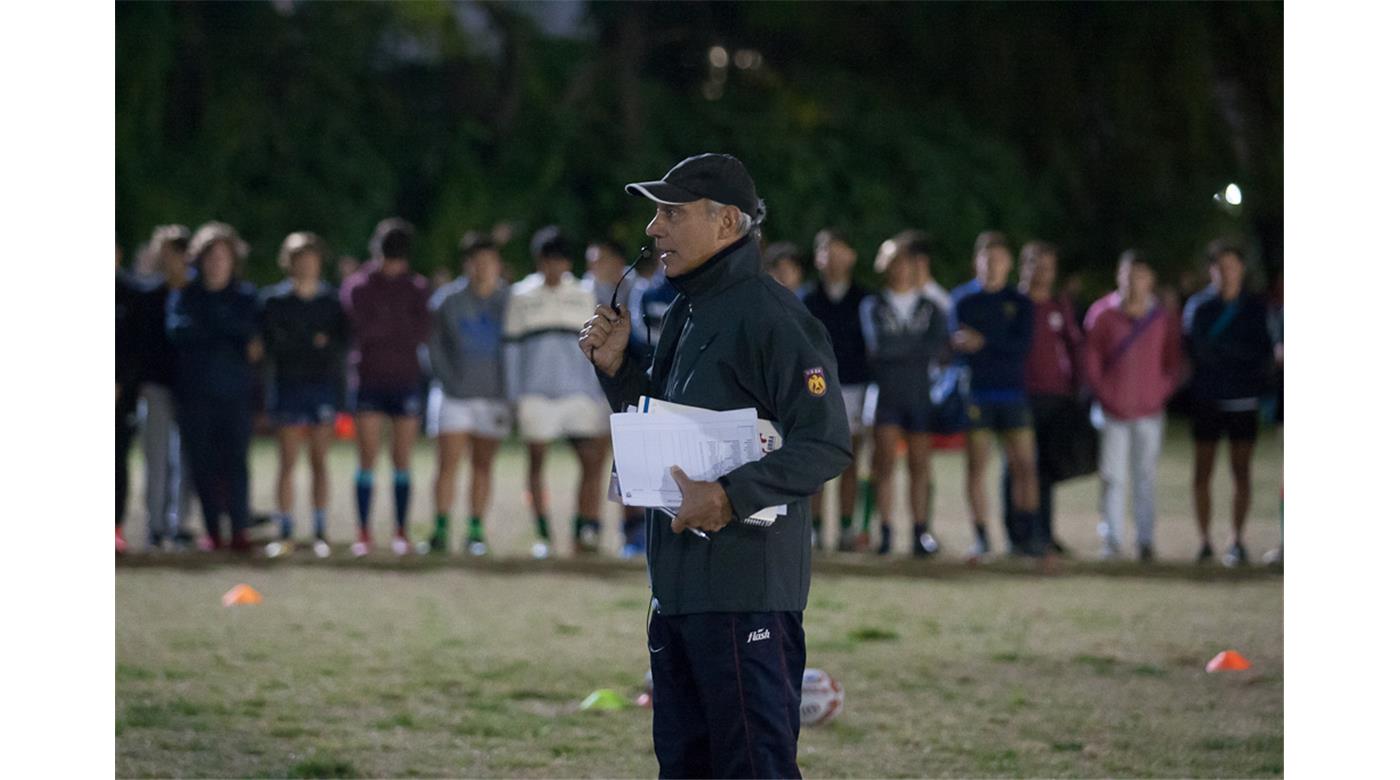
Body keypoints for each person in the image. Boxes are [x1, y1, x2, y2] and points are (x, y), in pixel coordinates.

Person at [578, 153, 851, 778]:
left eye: (671, 212)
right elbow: (668, 433)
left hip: (745, 592)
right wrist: (620, 372)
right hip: (677, 589)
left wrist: (729, 495)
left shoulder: (772, 316)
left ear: (728, 223)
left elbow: (827, 441)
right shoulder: (687, 308)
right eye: (655, 213)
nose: (653, 228)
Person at [505, 226, 613, 558]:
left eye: (560, 261)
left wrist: (597, 392)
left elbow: (594, 348)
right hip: (535, 394)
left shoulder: (583, 294)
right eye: (548, 261)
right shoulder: (521, 296)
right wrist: (514, 395)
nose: (554, 267)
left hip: (578, 393)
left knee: (592, 460)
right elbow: (512, 350)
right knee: (537, 461)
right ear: (539, 261)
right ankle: (543, 533)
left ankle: (585, 528)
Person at [166, 222, 260, 551]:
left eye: (224, 256)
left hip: (234, 396)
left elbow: (249, 338)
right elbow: (179, 333)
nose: (217, 262)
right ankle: (212, 531)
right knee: (202, 465)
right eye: (211, 256)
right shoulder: (185, 295)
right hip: (195, 397)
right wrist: (226, 331)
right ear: (200, 259)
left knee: (235, 464)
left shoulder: (246, 297)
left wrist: (212, 328)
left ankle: (239, 529)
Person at [1083, 251, 1182, 561]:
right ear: (1118, 276)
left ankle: (1145, 539)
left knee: (1145, 477)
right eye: (1127, 274)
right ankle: (1112, 540)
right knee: (1113, 477)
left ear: (1150, 280)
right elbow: (1091, 361)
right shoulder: (1101, 314)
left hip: (1149, 411)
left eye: (1139, 275)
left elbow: (1173, 361)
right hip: (1112, 412)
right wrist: (1105, 394)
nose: (1132, 282)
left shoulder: (1161, 318)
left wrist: (1159, 392)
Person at [1182, 240, 1276, 566]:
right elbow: (1197, 349)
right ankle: (1204, 540)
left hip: (1243, 399)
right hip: (1207, 397)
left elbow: (1261, 352)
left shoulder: (1253, 307)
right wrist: (1236, 355)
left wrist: (1230, 356)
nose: (1226, 272)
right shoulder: (1199, 307)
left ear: (1242, 269)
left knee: (1242, 472)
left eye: (1232, 266)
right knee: (1202, 471)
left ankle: (1237, 538)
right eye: (1219, 266)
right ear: (1211, 270)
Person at [341, 218, 431, 556]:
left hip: (405, 380)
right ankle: (363, 532)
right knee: (366, 458)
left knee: (402, 459)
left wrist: (386, 326)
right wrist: (395, 326)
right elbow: (362, 329)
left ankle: (400, 532)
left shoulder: (417, 288)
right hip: (368, 381)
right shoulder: (358, 286)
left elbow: (421, 332)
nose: (391, 264)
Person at [950, 231, 1038, 562]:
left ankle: (1025, 538)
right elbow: (960, 347)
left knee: (1024, 467)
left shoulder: (1020, 303)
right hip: (977, 395)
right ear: (977, 262)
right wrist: (993, 344)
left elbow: (1021, 347)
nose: (992, 266)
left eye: (999, 259)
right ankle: (982, 537)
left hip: (1013, 394)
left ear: (1009, 264)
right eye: (986, 259)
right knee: (976, 468)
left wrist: (985, 342)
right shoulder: (962, 300)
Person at [259, 231, 348, 558]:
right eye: (299, 259)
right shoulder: (274, 301)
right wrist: (311, 342)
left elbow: (336, 348)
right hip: (287, 388)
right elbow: (274, 346)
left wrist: (304, 343)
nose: (306, 264)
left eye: (311, 258)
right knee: (287, 462)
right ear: (289, 262)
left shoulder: (331, 302)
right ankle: (285, 532)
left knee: (319, 461)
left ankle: (320, 531)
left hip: (321, 389)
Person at [860, 233, 949, 557]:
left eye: (905, 261)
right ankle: (884, 531)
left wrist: (902, 348)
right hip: (887, 395)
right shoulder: (874, 305)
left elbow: (936, 346)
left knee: (920, 466)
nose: (900, 268)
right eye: (893, 261)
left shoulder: (930, 308)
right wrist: (914, 347)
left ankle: (920, 532)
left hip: (919, 396)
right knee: (884, 466)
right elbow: (878, 348)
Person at [425, 232, 511, 556]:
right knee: (447, 464)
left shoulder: (509, 300)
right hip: (454, 396)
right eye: (477, 261)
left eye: (489, 261)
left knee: (483, 465)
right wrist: (449, 381)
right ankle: (440, 529)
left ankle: (476, 530)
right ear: (467, 264)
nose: (483, 268)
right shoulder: (447, 301)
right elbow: (433, 349)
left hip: (493, 397)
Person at [1001, 241, 1083, 556]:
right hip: (1018, 394)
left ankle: (1043, 532)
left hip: (1055, 396)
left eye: (1048, 267)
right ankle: (1016, 533)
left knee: (1045, 468)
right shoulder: (1011, 303)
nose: (1042, 272)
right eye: (1036, 264)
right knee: (1017, 466)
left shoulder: (1059, 306)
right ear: (1024, 266)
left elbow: (1074, 347)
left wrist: (1076, 386)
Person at [801, 228, 873, 551]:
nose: (833, 257)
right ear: (818, 257)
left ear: (852, 255)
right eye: (826, 250)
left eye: (840, 249)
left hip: (855, 387)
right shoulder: (807, 298)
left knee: (850, 461)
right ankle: (813, 529)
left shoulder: (864, 300)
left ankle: (846, 527)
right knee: (815, 460)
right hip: (817, 388)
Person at [133, 225, 197, 550]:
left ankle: (179, 523)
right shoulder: (148, 295)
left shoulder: (198, 294)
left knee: (185, 459)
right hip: (157, 387)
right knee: (156, 459)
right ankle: (155, 525)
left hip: (190, 388)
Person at [116, 240, 142, 553]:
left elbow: (137, 348)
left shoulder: (129, 294)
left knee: (116, 461)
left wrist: (121, 382)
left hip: (120, 396)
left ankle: (115, 526)